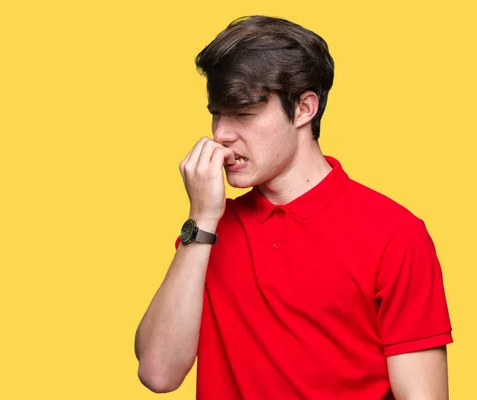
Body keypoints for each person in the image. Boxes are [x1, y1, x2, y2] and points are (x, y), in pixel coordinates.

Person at [134, 15, 452, 399]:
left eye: (243, 114)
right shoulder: (210, 231)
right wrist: (201, 220)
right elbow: (157, 373)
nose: (220, 134)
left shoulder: (395, 234)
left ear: (304, 109)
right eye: (216, 113)